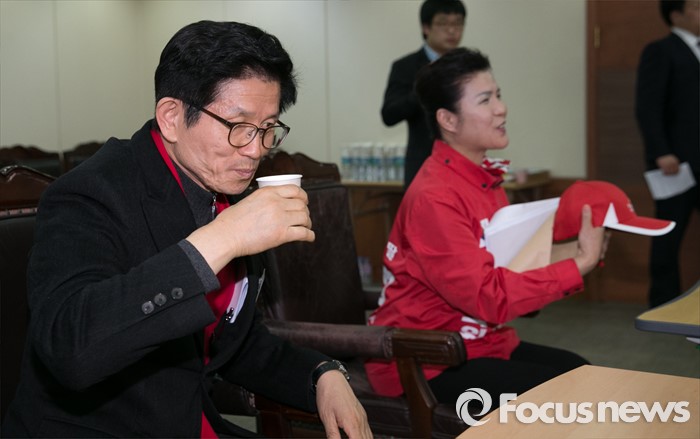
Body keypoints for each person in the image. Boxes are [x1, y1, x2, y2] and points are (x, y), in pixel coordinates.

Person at [1, 21, 371, 439]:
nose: (256, 150)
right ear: (172, 117)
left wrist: (321, 373)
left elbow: (232, 341)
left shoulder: (223, 192)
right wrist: (223, 237)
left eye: (268, 128)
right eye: (238, 126)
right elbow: (71, 349)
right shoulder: (90, 193)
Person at [365, 48, 608, 407]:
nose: (501, 108)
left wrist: (579, 251)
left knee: (581, 374)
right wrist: (579, 263)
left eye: (498, 95)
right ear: (448, 120)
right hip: (425, 360)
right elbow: (488, 297)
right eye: (485, 100)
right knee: (563, 399)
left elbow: (512, 264)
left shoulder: (484, 181)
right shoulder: (435, 196)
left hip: (478, 343)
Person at [635, 0, 700, 308]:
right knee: (668, 236)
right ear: (676, 15)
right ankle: (664, 303)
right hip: (676, 165)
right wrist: (661, 151)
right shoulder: (660, 51)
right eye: (697, 7)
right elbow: (648, 107)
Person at [381, 0, 466, 188]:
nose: (452, 30)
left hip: (464, 166)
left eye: (458, 23)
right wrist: (422, 86)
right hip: (423, 167)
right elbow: (389, 115)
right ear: (426, 27)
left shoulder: (468, 67)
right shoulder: (406, 66)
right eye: (443, 23)